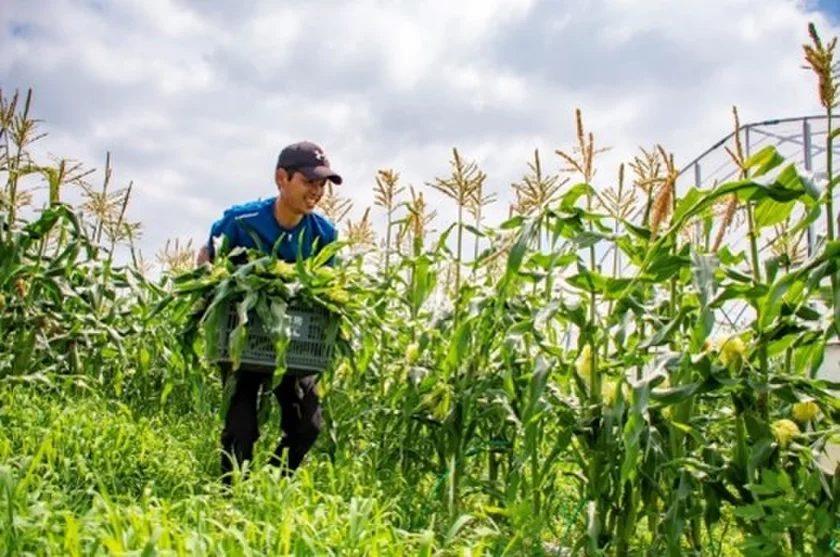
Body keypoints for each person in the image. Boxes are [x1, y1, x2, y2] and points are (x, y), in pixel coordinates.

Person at [196, 140, 343, 485]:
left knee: (307, 426)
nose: (317, 191)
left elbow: (327, 285)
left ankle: (273, 484)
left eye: (322, 185)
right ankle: (230, 498)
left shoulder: (324, 235)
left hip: (293, 345)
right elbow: (209, 252)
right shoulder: (242, 220)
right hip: (242, 340)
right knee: (242, 427)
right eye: (309, 181)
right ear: (282, 178)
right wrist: (210, 279)